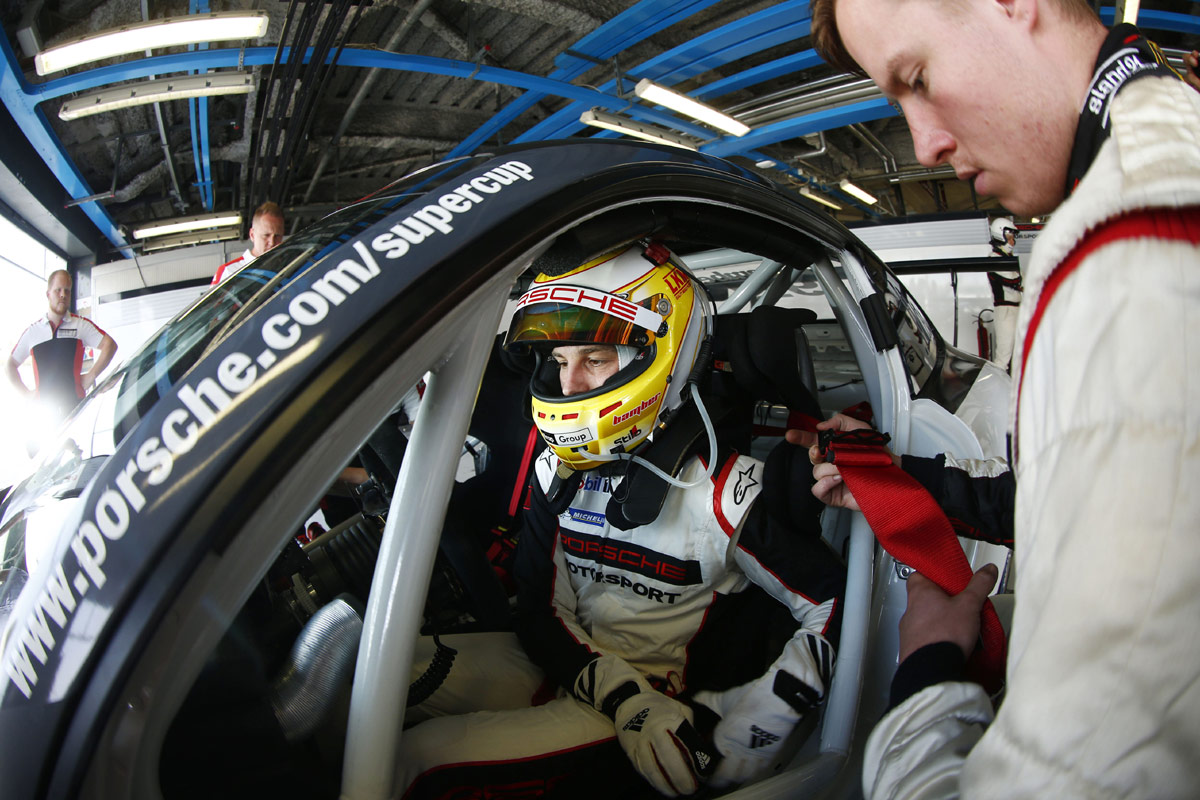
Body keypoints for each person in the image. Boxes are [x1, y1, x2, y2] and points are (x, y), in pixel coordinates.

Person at [810, 0, 1200, 795]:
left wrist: (925, 670)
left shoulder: (1135, 262)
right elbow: (1076, 501)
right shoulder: (1155, 176)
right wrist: (902, 486)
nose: (923, 144)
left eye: (918, 78)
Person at [395, 243, 844, 798]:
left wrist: (753, 721)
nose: (570, 387)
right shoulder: (555, 469)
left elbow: (833, 601)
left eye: (595, 360)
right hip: (576, 669)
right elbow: (537, 612)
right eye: (560, 362)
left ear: (662, 357)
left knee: (421, 760)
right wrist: (614, 690)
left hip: (657, 706)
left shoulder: (728, 491)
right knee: (375, 681)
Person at [6, 269, 117, 428]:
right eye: (58, 290)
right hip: (43, 414)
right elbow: (10, 366)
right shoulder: (33, 332)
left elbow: (110, 345)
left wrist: (91, 375)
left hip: (74, 409)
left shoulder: (80, 325)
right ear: (48, 294)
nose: (63, 295)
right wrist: (27, 395)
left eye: (67, 291)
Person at [209, 201, 285, 286]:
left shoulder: (287, 270)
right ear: (252, 235)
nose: (272, 242)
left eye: (277, 236)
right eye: (266, 235)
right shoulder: (230, 272)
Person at [985, 217, 1022, 371]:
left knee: (1018, 354)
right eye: (1009, 235)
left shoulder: (1008, 259)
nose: (1012, 240)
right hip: (1006, 310)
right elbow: (1014, 281)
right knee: (1003, 356)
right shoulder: (995, 258)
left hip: (1016, 309)